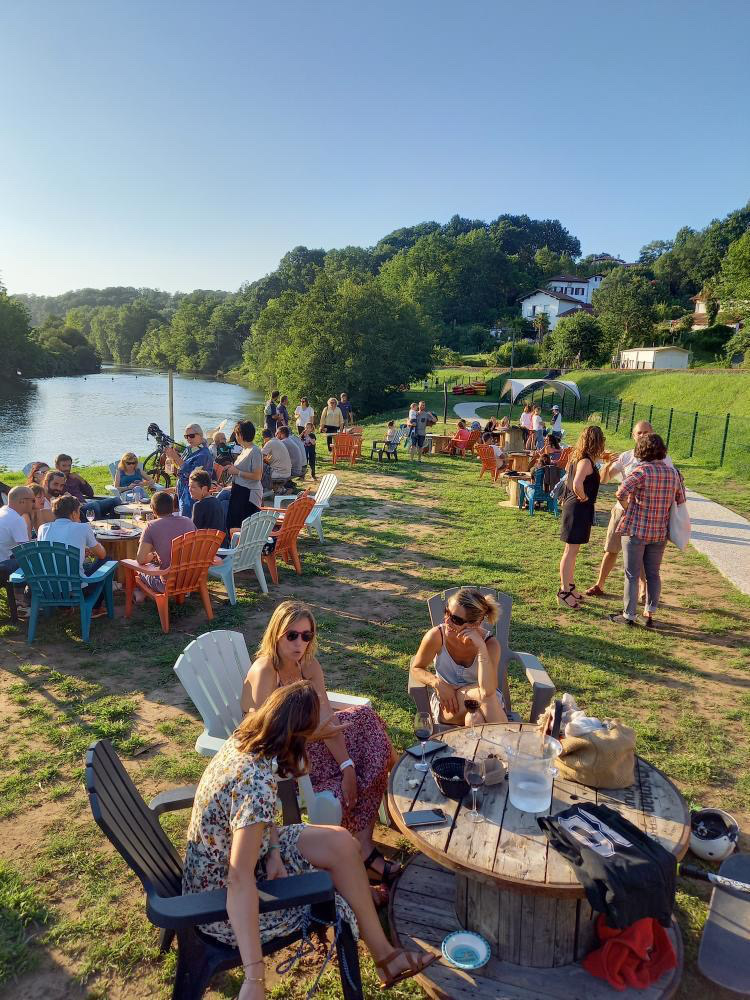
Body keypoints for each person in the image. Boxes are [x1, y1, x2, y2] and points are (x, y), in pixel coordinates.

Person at [183, 680, 437, 999]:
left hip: (240, 859)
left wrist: (274, 851)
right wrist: (254, 976)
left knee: (343, 843)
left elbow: (254, 821)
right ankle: (378, 937)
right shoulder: (256, 786)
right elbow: (238, 879)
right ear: (299, 735)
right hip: (219, 904)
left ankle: (386, 956)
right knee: (337, 881)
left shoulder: (249, 737)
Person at [241, 602, 400, 887]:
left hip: (311, 739)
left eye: (307, 636)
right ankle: (370, 838)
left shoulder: (309, 666)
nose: (300, 643)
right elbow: (268, 736)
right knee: (375, 749)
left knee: (365, 720)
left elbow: (326, 719)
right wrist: (315, 738)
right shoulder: (267, 669)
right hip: (283, 753)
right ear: (276, 633)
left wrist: (347, 765)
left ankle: (363, 841)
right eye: (292, 635)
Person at [586, 421, 674, 598]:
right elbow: (604, 479)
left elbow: (671, 485)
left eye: (645, 432)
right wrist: (607, 464)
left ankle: (643, 589)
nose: (642, 436)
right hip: (622, 510)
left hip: (644, 513)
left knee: (641, 554)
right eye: (639, 433)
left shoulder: (663, 458)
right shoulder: (627, 456)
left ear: (652, 433)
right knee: (611, 548)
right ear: (633, 436)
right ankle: (599, 584)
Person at [610, 433, 686, 628]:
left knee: (632, 574)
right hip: (659, 532)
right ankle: (649, 612)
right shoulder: (673, 473)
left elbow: (620, 492)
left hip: (636, 529)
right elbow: (680, 499)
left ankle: (629, 615)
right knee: (653, 573)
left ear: (641, 451)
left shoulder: (640, 471)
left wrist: (628, 507)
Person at [410, 588, 508, 728]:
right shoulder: (437, 636)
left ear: (475, 624)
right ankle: (509, 740)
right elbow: (416, 668)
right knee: (483, 698)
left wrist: (481, 648)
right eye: (447, 612)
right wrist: (437, 683)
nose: (447, 620)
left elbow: (488, 690)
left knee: (474, 719)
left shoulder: (490, 645)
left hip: (487, 704)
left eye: (455, 619)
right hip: (449, 703)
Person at [558, 425, 606, 609]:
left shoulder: (577, 458)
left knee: (573, 551)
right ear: (597, 441)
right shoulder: (585, 462)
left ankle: (570, 586)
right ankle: (564, 592)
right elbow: (578, 484)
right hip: (578, 508)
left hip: (575, 508)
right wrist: (584, 497)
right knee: (570, 552)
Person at [38, 495, 109, 614]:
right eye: (79, 511)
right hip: (75, 589)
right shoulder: (83, 527)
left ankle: (64, 607)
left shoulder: (43, 528)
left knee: (65, 568)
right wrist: (97, 545)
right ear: (73, 513)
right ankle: (95, 608)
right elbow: (101, 554)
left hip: (49, 588)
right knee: (107, 560)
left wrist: (81, 550)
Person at [135, 490, 196, 592]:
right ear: (172, 507)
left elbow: (140, 559)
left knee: (137, 569)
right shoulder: (187, 521)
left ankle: (138, 594)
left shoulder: (151, 526)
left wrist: (152, 556)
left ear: (153, 510)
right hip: (192, 578)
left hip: (167, 584)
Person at [223, 421, 264, 533]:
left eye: (236, 434)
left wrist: (237, 472)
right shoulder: (244, 450)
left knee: (241, 526)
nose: (235, 437)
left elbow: (257, 476)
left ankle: (240, 549)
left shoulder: (255, 451)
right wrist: (231, 469)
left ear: (240, 435)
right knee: (233, 523)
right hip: (239, 491)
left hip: (248, 494)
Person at [165, 424, 214, 517]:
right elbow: (181, 467)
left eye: (191, 436)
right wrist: (172, 458)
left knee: (186, 518)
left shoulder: (204, 455)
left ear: (200, 435)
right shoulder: (189, 449)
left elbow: (192, 474)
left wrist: (176, 457)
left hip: (193, 493)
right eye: (186, 436)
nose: (188, 439)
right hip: (183, 490)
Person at [54, 453, 119, 519]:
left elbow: (90, 493)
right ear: (57, 466)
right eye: (64, 466)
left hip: (86, 504)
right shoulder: (55, 481)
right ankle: (99, 525)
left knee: (116, 500)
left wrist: (80, 478)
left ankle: (114, 525)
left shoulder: (74, 478)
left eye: (69, 466)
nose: (67, 468)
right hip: (75, 510)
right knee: (93, 506)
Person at [0, 486, 32, 575]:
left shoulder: (3, 510)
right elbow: (25, 551)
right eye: (32, 500)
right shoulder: (16, 519)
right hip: (2, 564)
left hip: (4, 559)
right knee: (32, 563)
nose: (34, 503)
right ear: (22, 501)